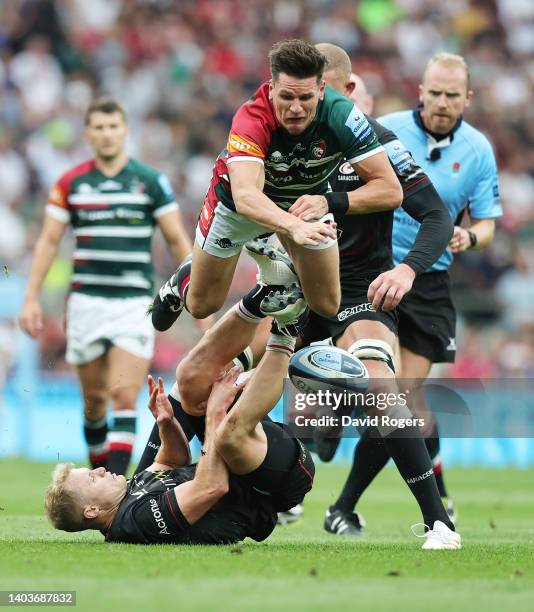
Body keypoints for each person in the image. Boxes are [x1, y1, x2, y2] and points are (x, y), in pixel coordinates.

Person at [343, 53, 502, 525]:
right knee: (390, 393)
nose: (442, 102)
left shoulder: (478, 150)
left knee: (403, 396)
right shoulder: (386, 130)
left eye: (452, 95)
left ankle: (343, 506)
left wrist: (468, 236)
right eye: (435, 92)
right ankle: (351, 503)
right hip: (376, 273)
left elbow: (488, 223)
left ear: (467, 98)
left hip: (430, 281)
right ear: (421, 90)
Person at [150, 38, 402, 331]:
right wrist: (293, 228)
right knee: (202, 305)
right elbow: (245, 196)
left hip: (306, 202)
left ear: (321, 91)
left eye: (305, 98)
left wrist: (326, 202)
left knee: (327, 303)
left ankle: (271, 291)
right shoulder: (251, 118)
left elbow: (390, 190)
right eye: (286, 98)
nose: (295, 108)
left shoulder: (343, 114)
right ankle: (184, 278)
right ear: (271, 90)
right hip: (238, 207)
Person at [44, 302, 315, 545]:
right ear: (91, 511)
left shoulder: (129, 493)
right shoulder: (134, 521)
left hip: (249, 465)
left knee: (188, 380)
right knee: (227, 433)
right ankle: (286, 332)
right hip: (273, 485)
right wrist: (215, 411)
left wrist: (166, 423)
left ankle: (260, 300)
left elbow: (172, 461)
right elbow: (212, 486)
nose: (101, 469)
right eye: (92, 478)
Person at [19, 97, 193, 476]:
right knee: (94, 403)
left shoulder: (150, 182)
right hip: (86, 303)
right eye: (99, 127)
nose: (107, 133)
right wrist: (31, 297)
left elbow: (178, 240)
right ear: (88, 133)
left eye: (113, 126)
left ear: (125, 131)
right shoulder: (71, 183)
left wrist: (196, 290)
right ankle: (98, 477)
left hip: (134, 304)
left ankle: (113, 487)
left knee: (123, 396)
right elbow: (49, 240)